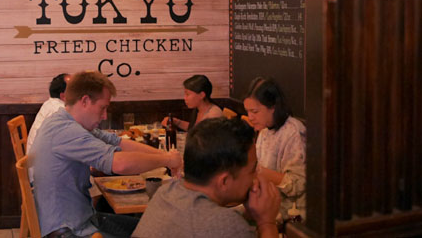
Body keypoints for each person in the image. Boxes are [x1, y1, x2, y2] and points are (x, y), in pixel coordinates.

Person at [31, 71, 183, 238]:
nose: (104, 116)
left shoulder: (65, 121)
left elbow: (118, 142)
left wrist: (169, 158)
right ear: (85, 101)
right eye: (103, 108)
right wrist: (167, 159)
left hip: (84, 219)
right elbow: (119, 164)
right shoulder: (66, 131)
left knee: (155, 229)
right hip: (69, 230)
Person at [133, 118, 282, 238]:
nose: (256, 178)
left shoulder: (165, 192)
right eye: (252, 171)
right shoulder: (226, 225)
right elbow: (213, 225)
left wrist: (250, 215)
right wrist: (267, 222)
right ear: (224, 181)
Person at [243, 77, 306, 221]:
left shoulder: (294, 132)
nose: (250, 117)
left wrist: (257, 170)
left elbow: (297, 185)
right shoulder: (264, 130)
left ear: (272, 107)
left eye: (254, 111)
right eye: (247, 111)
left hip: (290, 213)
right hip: (267, 204)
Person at [27, 73, 70, 155]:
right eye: (74, 88)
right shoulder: (59, 110)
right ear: (63, 96)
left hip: (36, 158)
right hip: (39, 163)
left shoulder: (50, 103)